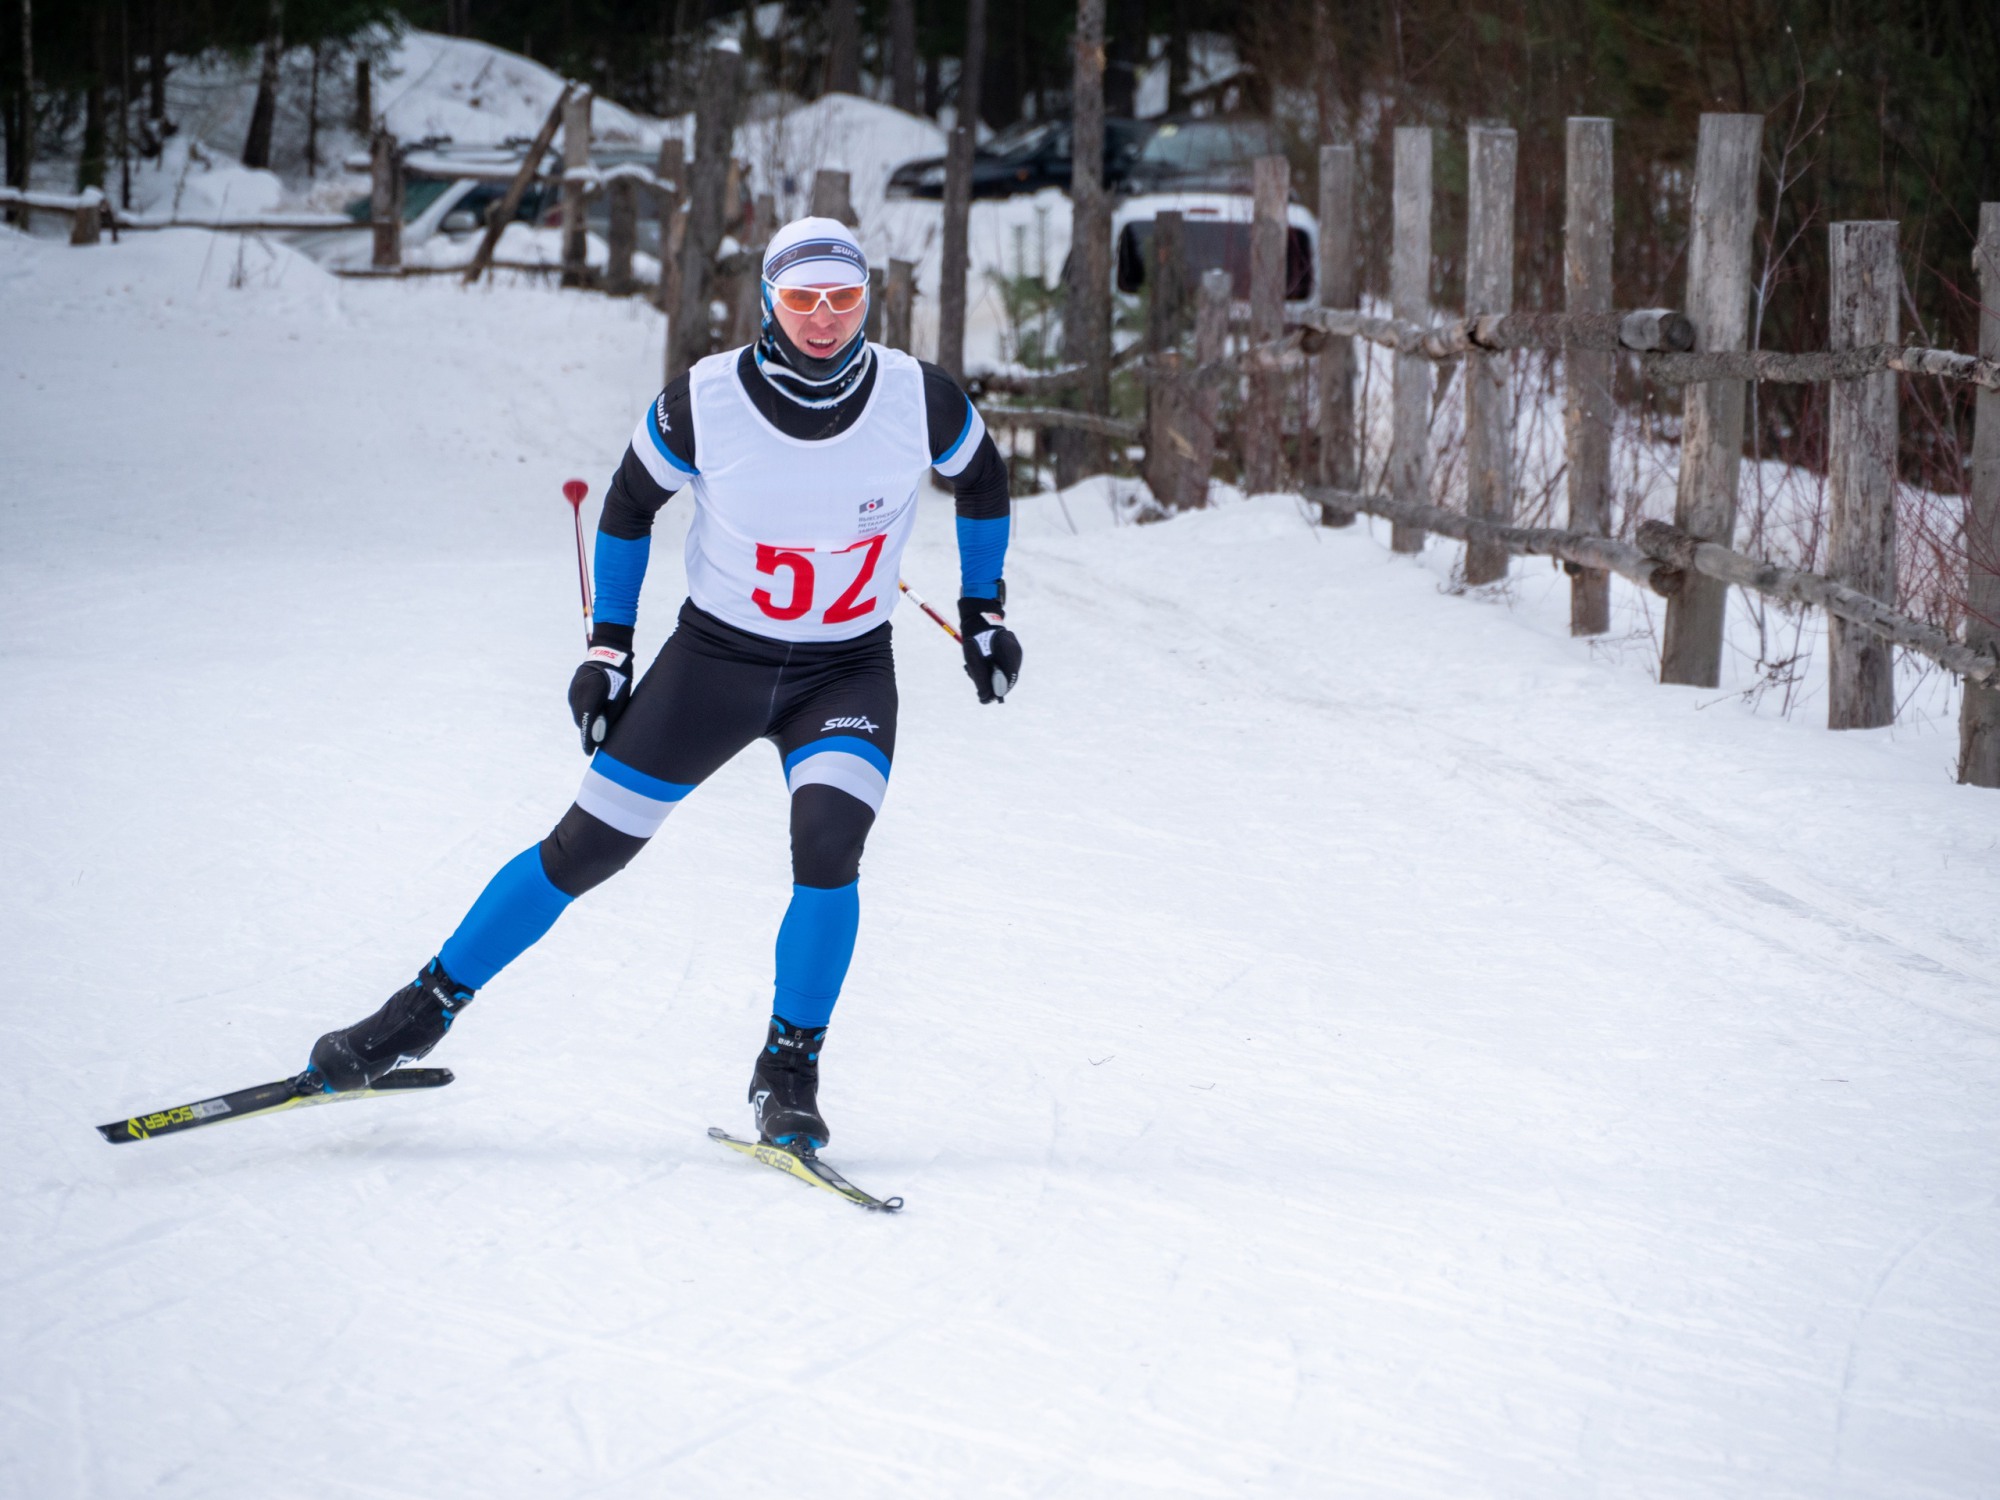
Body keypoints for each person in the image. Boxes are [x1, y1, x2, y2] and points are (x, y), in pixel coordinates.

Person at [303, 217, 1021, 1151]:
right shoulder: (706, 400)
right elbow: (629, 504)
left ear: (867, 302)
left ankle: (788, 1073)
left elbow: (985, 476)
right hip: (716, 665)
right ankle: (414, 1016)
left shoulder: (916, 397)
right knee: (584, 852)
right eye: (802, 298)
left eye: (843, 299)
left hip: (844, 670)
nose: (823, 319)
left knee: (830, 845)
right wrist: (608, 649)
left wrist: (984, 610)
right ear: (769, 298)